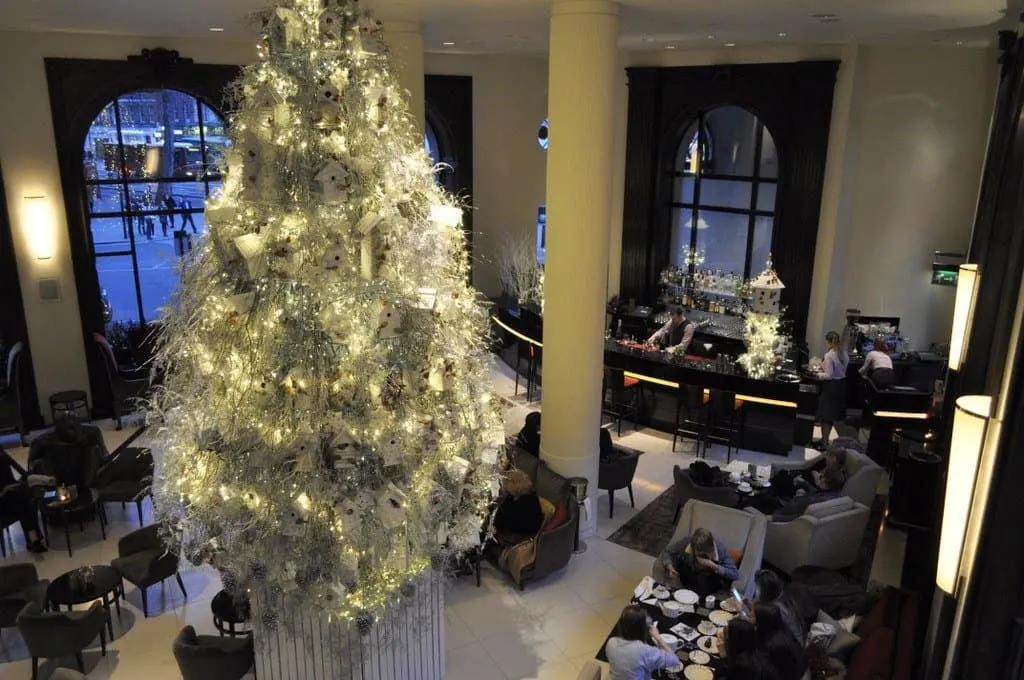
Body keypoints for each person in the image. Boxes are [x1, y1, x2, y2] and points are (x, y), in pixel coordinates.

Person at [28, 414, 110, 487]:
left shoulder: (92, 434)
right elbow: (32, 468)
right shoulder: (41, 442)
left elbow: (104, 457)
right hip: (58, 481)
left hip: (84, 478)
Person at [605, 604, 682, 680]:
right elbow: (674, 660)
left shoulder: (611, 642)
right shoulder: (645, 651)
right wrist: (658, 637)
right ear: (642, 629)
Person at [660, 527, 739, 592]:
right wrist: (670, 567)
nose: (701, 556)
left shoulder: (719, 548)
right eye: (699, 554)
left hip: (708, 580)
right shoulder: (688, 541)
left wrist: (715, 566)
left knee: (704, 584)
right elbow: (667, 551)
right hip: (689, 573)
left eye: (704, 554)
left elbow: (735, 574)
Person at [0, 446, 47, 553]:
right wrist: (3, 491)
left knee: (27, 490)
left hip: (11, 492)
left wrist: (27, 478)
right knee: (24, 499)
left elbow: (17, 470)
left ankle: (32, 539)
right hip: (2, 498)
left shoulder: (1, 453)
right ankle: (33, 539)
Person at [814, 330, 849, 451]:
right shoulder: (844, 353)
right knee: (832, 416)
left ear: (828, 342)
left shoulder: (829, 355)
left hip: (831, 387)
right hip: (842, 386)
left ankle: (824, 443)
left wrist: (817, 374)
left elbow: (828, 375)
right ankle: (825, 440)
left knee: (826, 417)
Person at [490, 469, 543, 546]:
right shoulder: (512, 496)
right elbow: (500, 511)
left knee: (489, 536)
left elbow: (511, 521)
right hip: (513, 528)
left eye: (507, 483)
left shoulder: (528, 501)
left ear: (516, 484)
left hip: (522, 536)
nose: (504, 485)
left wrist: (496, 527)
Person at [754, 603, 807, 680]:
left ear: (762, 621)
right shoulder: (782, 630)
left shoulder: (772, 646)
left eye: (754, 617)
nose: (750, 617)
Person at [753, 570, 806, 644]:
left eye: (757, 588)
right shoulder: (782, 596)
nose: (756, 591)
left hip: (791, 647)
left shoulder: (775, 609)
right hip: (796, 641)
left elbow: (762, 629)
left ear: (765, 590)